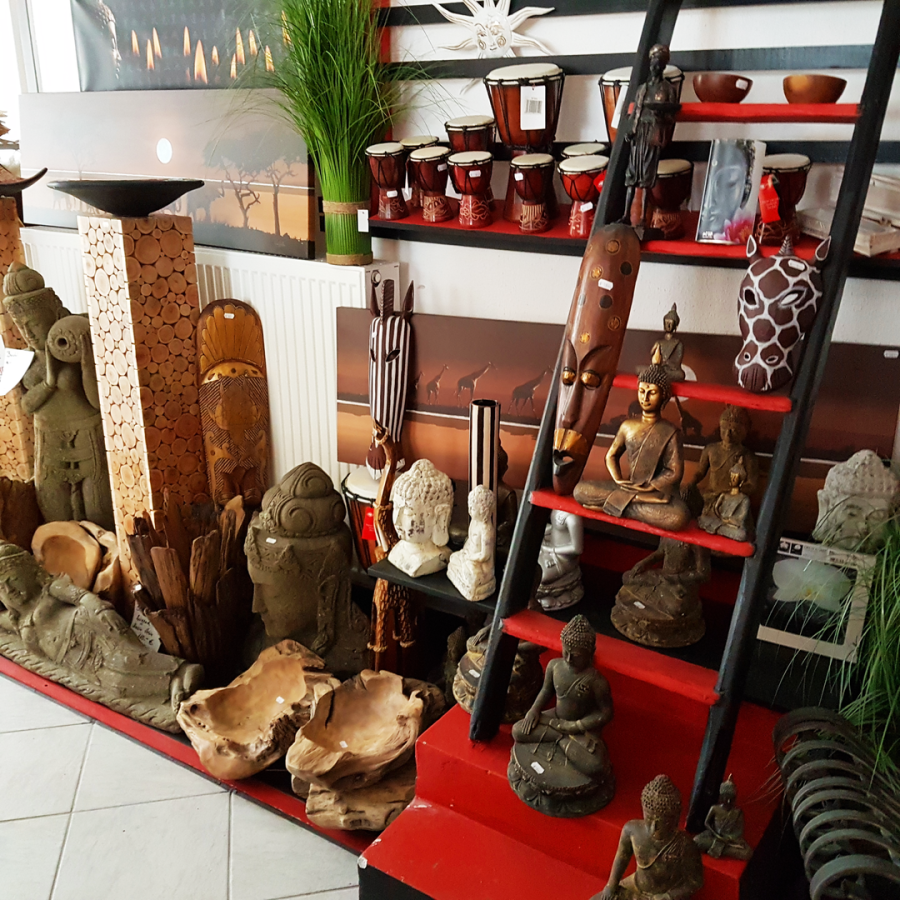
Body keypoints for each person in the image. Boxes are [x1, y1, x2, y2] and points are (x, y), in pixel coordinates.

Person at [0, 542, 201, 711]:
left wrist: (102, 611)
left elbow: (82, 597)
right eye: (1, 587)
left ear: (31, 573)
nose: (9, 590)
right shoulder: (19, 619)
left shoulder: (51, 589)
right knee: (117, 683)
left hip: (88, 630)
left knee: (126, 660)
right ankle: (172, 685)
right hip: (75, 659)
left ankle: (181, 669)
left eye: (14, 580)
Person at [3, 263, 113, 530]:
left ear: (55, 314)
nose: (28, 333)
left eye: (34, 323)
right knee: (55, 516)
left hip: (88, 440)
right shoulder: (26, 361)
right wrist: (49, 383)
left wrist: (87, 364)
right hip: (49, 444)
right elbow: (26, 406)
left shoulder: (72, 351)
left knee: (100, 515)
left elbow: (97, 403)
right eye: (21, 327)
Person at [508, 615, 615, 816]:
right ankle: (561, 738)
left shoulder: (596, 681)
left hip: (580, 729)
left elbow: (606, 713)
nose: (568, 658)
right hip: (554, 719)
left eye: (576, 655)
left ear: (590, 653)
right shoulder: (555, 666)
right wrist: (534, 710)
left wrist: (575, 726)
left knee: (596, 766)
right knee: (517, 731)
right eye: (566, 651)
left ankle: (562, 738)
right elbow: (545, 691)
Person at [574, 352, 691, 531]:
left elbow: (674, 471)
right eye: (642, 391)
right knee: (581, 491)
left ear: (664, 396)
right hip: (628, 487)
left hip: (653, 492)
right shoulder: (628, 425)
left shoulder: (670, 431)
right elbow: (611, 456)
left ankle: (619, 506)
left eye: (652, 393)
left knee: (678, 516)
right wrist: (618, 479)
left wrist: (650, 486)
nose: (645, 398)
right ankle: (628, 506)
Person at [593, 775, 704, 900]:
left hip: (661, 896)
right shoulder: (631, 829)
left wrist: (668, 896)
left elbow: (695, 882)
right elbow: (621, 858)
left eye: (661, 823)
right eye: (649, 819)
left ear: (675, 819)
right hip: (635, 886)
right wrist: (611, 886)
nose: (653, 827)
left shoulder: (685, 845)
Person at [694, 776, 753, 861]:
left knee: (748, 853)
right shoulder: (714, 808)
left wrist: (728, 838)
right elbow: (706, 823)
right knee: (696, 841)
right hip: (714, 835)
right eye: (726, 798)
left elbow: (739, 831)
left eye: (731, 799)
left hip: (729, 840)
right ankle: (723, 849)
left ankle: (722, 849)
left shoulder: (737, 813)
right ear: (721, 797)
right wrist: (716, 834)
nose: (728, 801)